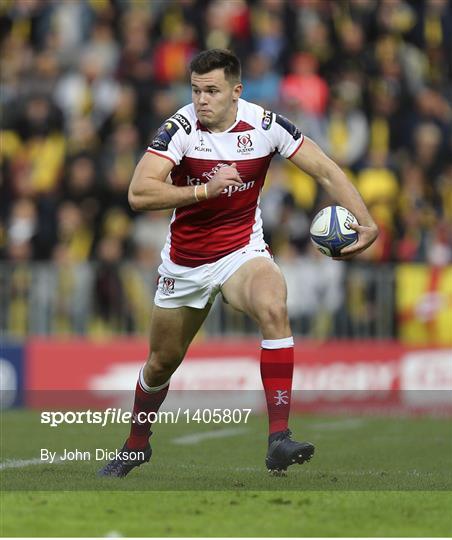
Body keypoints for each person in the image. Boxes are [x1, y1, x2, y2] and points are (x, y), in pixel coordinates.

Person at [99, 49, 378, 478]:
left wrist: (367, 221)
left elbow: (324, 169)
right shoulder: (180, 128)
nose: (201, 100)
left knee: (273, 305)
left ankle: (278, 439)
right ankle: (137, 443)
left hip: (240, 252)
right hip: (185, 264)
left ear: (236, 91)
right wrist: (202, 191)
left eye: (211, 90)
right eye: (195, 90)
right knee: (160, 363)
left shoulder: (264, 124)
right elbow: (139, 193)